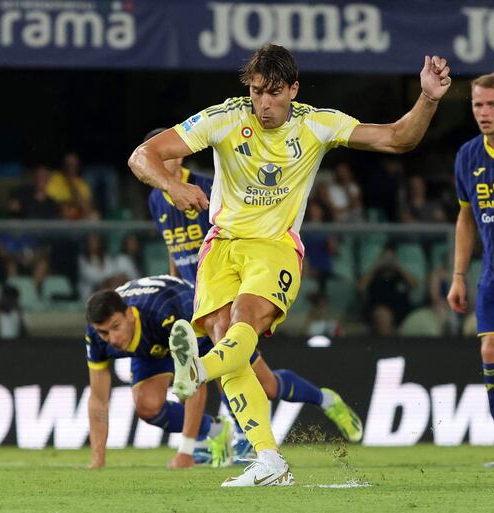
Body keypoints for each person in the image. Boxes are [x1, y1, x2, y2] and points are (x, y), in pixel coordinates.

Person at [128, 44, 450, 486]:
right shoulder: (224, 117)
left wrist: (428, 98)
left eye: (274, 93)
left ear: (293, 89)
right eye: (258, 91)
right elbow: (141, 155)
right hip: (221, 246)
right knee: (228, 344)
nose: (264, 103)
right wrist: (171, 185)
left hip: (274, 246)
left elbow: (399, 138)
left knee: (242, 325)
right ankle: (269, 459)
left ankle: (197, 370)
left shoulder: (317, 124)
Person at [143, 128, 363, 464]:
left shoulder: (206, 185)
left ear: (182, 153)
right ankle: (224, 442)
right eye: (159, 158)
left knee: (262, 382)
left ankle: (320, 401)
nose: (166, 162)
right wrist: (179, 285)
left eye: (169, 154)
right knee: (222, 369)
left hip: (231, 290)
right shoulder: (157, 196)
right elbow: (173, 246)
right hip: (196, 295)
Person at [85, 275, 233, 469]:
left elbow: (195, 383)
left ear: (129, 314)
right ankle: (215, 429)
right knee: (147, 406)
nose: (112, 338)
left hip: (190, 317)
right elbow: (98, 400)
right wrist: (98, 461)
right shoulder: (96, 335)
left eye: (115, 327)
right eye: (104, 332)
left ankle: (245, 439)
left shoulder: (165, 313)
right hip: (151, 340)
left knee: (230, 379)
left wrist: (185, 452)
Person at [446, 72, 494, 468]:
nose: (484, 112)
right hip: (490, 273)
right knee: (489, 349)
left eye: (491, 105)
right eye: (478, 104)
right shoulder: (468, 156)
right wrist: (459, 275)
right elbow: (465, 218)